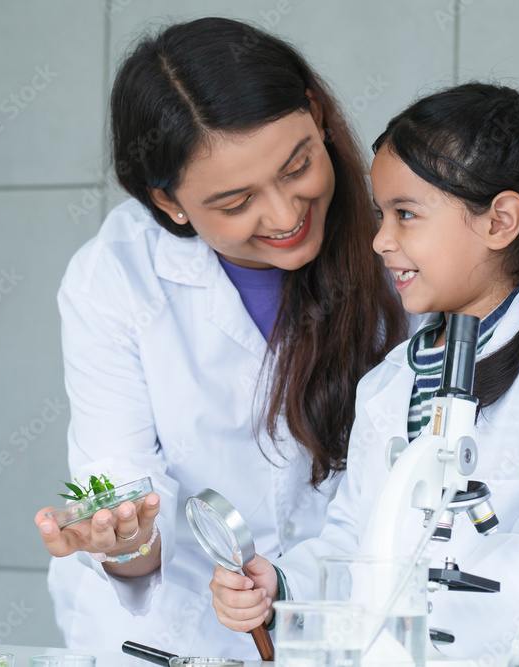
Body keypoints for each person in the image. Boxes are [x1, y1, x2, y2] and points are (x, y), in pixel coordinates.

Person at [209, 82, 519, 657]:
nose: (381, 240)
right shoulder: (388, 383)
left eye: (406, 214)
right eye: (380, 215)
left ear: (500, 221)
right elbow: (351, 542)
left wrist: (419, 604)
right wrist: (281, 585)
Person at [31, 17, 408, 658]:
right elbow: (121, 481)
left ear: (316, 115)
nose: (287, 215)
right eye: (236, 204)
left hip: (347, 622)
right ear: (169, 202)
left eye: (297, 166)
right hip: (174, 630)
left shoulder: (401, 240)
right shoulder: (117, 276)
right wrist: (123, 537)